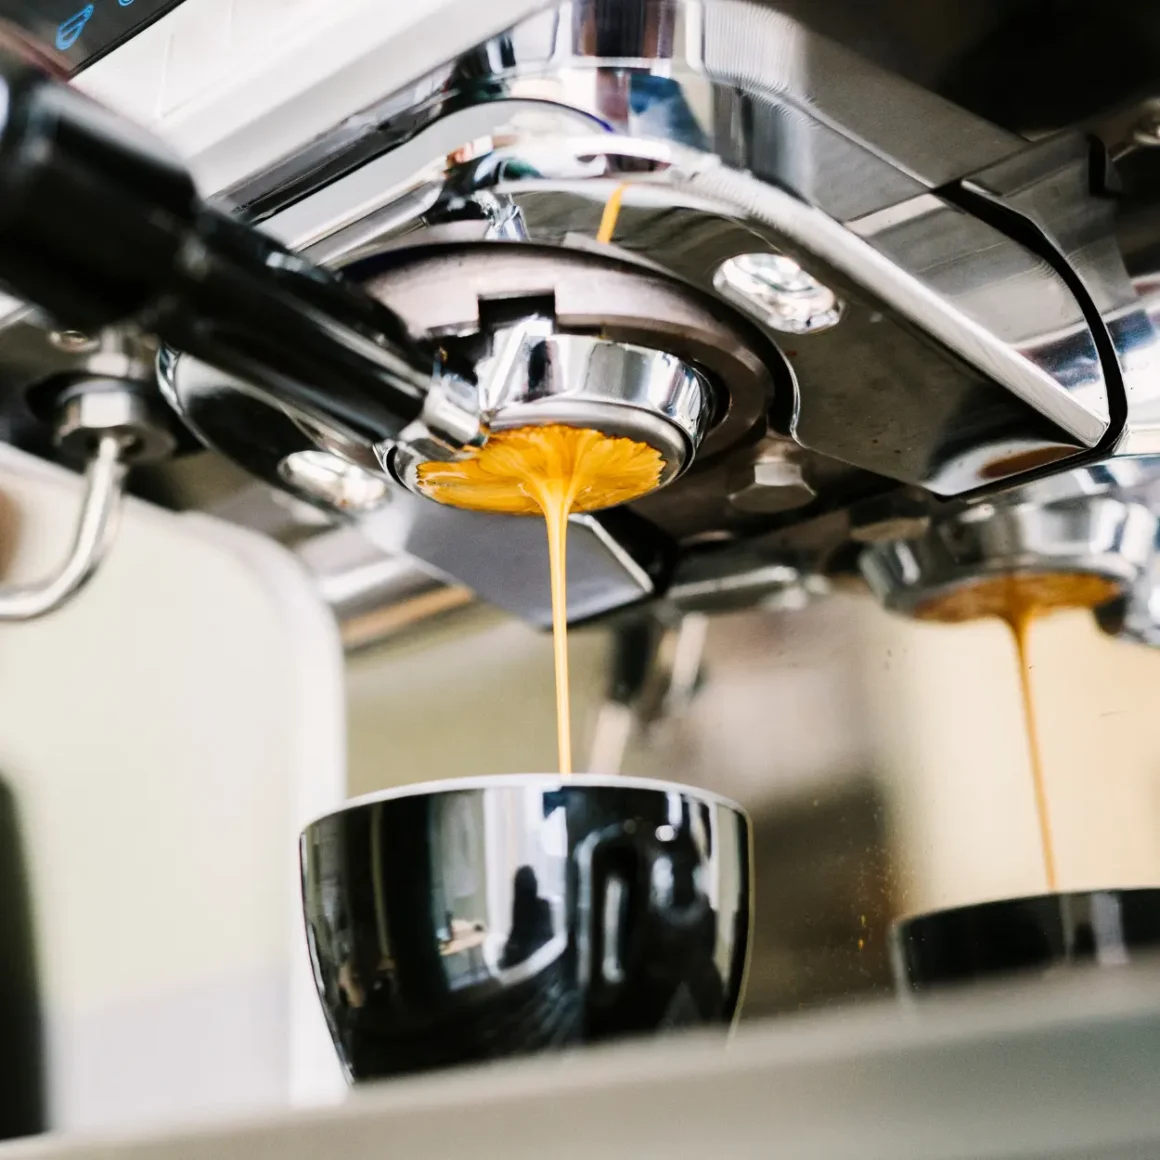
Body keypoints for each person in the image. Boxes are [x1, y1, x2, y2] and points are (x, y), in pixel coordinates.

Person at [501, 865, 554, 968]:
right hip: (539, 957)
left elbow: (517, 934)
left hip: (534, 957)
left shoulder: (521, 906)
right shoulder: (543, 905)